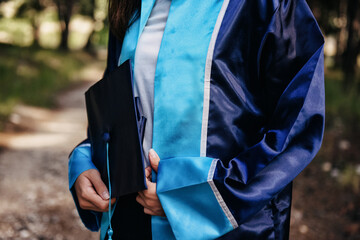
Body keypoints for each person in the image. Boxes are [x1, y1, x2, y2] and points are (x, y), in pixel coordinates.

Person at [68, 0, 325, 239]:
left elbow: (298, 125)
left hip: (228, 225)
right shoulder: (132, 3)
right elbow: (114, 108)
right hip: (130, 220)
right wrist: (86, 160)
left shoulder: (266, 4)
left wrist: (195, 196)